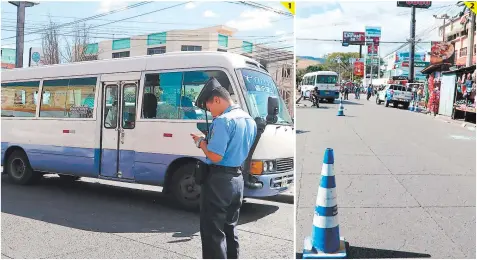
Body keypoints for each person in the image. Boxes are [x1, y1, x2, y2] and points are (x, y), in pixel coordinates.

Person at [191, 78, 257, 259]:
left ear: (217, 100)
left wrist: (201, 142)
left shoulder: (223, 121)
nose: (210, 112)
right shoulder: (248, 119)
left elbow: (215, 156)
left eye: (209, 107)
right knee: (230, 228)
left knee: (213, 232)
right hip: (237, 180)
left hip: (218, 182)